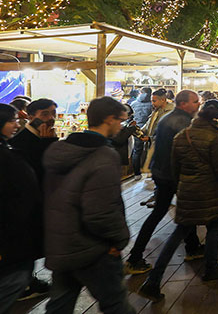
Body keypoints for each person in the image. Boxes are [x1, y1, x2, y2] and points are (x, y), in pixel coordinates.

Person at [138, 100, 218, 302]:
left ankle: (153, 280)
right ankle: (211, 267)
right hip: (209, 192)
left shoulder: (182, 136)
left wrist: (182, 186)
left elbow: (175, 167)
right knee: (214, 225)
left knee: (178, 233)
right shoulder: (214, 137)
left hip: (187, 193)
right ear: (215, 118)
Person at [43, 97, 134, 314]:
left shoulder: (59, 150)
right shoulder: (103, 156)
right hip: (92, 248)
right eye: (120, 120)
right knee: (116, 304)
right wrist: (119, 239)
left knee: (59, 305)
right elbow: (101, 211)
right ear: (109, 119)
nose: (121, 126)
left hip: (61, 242)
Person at [125, 90, 204, 274]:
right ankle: (136, 258)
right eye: (195, 102)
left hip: (162, 172)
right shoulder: (183, 122)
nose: (198, 104)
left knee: (173, 212)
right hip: (172, 174)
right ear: (184, 103)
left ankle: (192, 247)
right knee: (170, 213)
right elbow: (186, 153)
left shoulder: (167, 118)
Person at [0, 103, 44, 311]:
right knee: (16, 277)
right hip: (11, 229)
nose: (16, 124)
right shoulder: (6, 155)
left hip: (12, 228)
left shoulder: (8, 149)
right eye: (12, 121)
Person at [9, 98, 59, 184]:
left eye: (54, 113)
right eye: (45, 114)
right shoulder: (19, 142)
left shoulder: (48, 135)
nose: (51, 118)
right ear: (31, 117)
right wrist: (47, 143)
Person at [139, 89, 174, 174]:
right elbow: (148, 125)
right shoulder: (156, 111)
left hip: (162, 147)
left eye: (154, 101)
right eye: (151, 101)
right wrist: (139, 131)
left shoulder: (170, 113)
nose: (152, 103)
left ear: (163, 100)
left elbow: (166, 133)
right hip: (152, 145)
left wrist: (150, 138)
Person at [129, 87, 152, 179]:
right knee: (150, 150)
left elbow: (130, 117)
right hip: (148, 129)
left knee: (137, 151)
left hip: (137, 129)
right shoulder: (152, 104)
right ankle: (148, 171)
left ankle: (137, 173)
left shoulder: (133, 104)